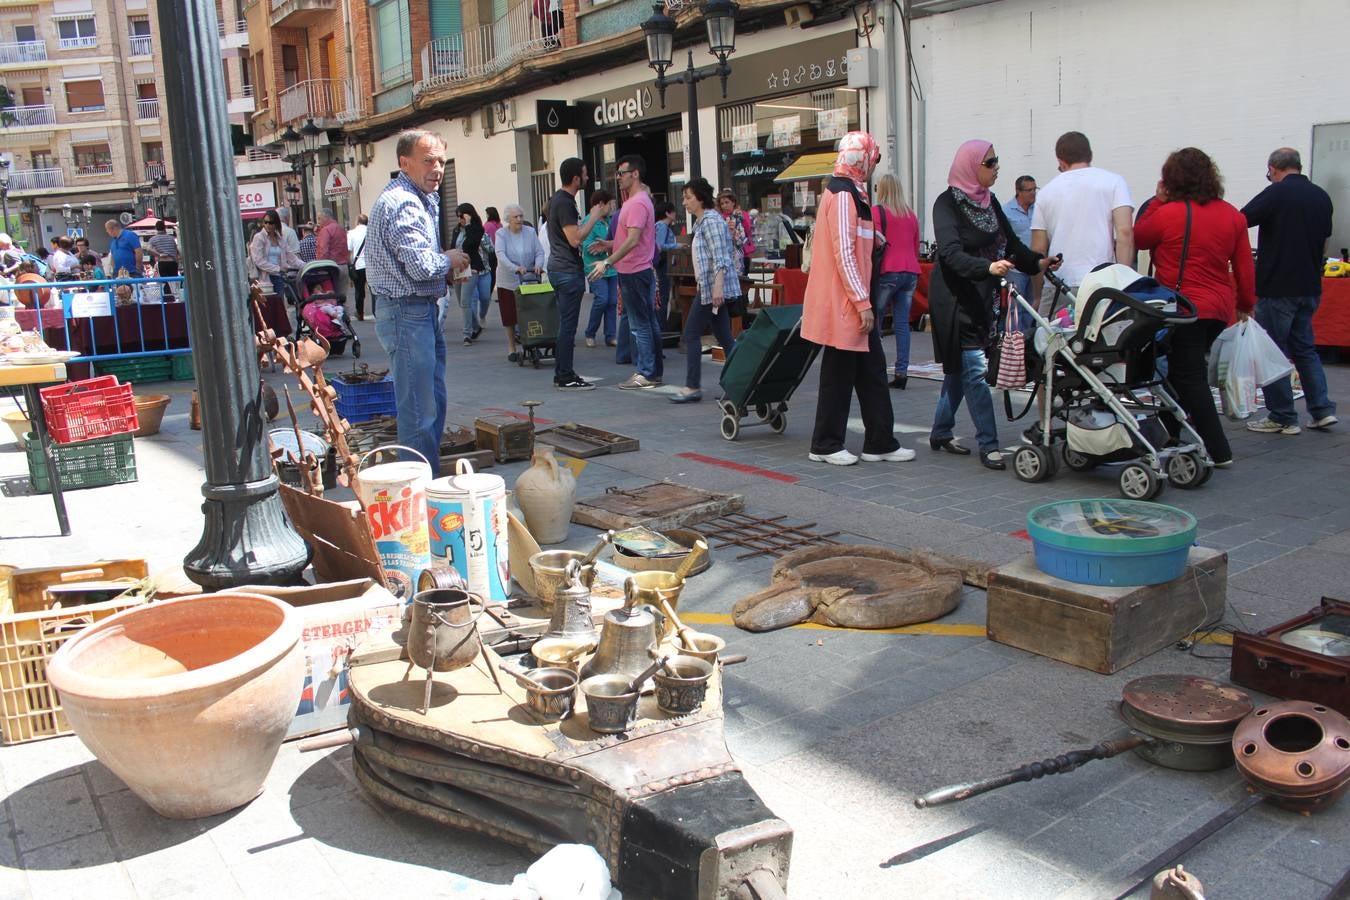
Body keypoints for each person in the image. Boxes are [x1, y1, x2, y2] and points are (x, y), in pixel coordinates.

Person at [929, 140, 1058, 471]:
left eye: (996, 160)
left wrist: (1039, 263)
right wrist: (986, 268)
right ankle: (989, 443)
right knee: (974, 368)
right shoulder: (946, 204)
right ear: (972, 166)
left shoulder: (990, 202)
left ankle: (940, 431)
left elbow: (1012, 246)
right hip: (956, 299)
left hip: (985, 297)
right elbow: (950, 253)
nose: (997, 166)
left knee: (959, 372)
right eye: (991, 162)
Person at [1135, 148, 1254, 467]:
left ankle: (1219, 449)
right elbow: (1244, 268)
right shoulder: (1232, 215)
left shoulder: (1168, 212)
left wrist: (1158, 200)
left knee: (1189, 376)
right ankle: (1167, 435)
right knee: (1182, 372)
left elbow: (1140, 237)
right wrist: (1245, 304)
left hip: (1182, 307)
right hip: (1217, 307)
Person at [801, 131, 914, 466]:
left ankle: (879, 441)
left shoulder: (848, 192)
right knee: (841, 375)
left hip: (848, 302)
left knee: (870, 372)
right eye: (872, 158)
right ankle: (825, 444)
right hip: (846, 304)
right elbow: (844, 254)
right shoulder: (843, 194)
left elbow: (850, 246)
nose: (873, 164)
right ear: (861, 159)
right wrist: (862, 303)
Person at [366, 130, 470, 476]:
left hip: (417, 310)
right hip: (406, 312)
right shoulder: (404, 201)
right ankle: (418, 492)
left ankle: (426, 481)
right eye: (428, 161)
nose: (437, 168)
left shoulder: (419, 198)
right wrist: (450, 258)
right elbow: (421, 265)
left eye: (441, 161)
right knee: (418, 411)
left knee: (431, 405)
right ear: (404, 163)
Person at [1242, 147, 1337, 435]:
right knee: (1305, 348)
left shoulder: (1276, 193)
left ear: (1273, 168)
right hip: (1309, 285)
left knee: (1273, 350)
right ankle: (1321, 410)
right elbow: (1324, 240)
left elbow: (1240, 219)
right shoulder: (1321, 196)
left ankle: (1282, 415)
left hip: (1278, 286)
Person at [1030, 132, 1133, 315]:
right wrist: (1124, 281)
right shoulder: (1114, 182)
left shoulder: (1045, 192)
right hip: (1103, 282)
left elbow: (1038, 249)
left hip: (1059, 282)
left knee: (1051, 341)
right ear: (1090, 154)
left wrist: (1038, 295)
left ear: (1060, 160)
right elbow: (1124, 233)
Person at [591, 155, 658, 390]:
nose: (618, 177)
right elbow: (630, 240)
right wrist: (608, 244)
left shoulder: (637, 203)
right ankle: (650, 371)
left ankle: (646, 372)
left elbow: (633, 241)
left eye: (621, 173)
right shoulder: (635, 202)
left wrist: (607, 261)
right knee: (645, 322)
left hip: (634, 271)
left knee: (640, 324)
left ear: (635, 174)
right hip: (637, 269)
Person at [671, 178, 738, 404]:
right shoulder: (703, 222)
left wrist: (717, 287)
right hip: (710, 287)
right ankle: (739, 383)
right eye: (684, 198)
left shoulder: (710, 221)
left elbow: (721, 257)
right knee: (725, 337)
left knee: (691, 334)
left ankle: (692, 386)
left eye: (688, 197)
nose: (685, 202)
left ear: (701, 197)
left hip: (712, 289)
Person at [546, 157, 607, 390]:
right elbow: (575, 238)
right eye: (585, 173)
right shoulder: (565, 202)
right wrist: (594, 215)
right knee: (568, 326)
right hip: (566, 271)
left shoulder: (559, 200)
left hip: (560, 269)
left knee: (565, 324)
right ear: (575, 179)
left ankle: (562, 373)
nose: (588, 177)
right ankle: (565, 375)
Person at [871, 174, 922, 390]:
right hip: (910, 271)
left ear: (880, 189)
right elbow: (916, 246)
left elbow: (871, 243)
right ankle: (902, 371)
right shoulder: (910, 214)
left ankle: (876, 369)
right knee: (902, 324)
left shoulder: (877, 212)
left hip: (888, 271)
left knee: (875, 322)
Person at [494, 203, 544, 362]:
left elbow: (539, 252)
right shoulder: (501, 234)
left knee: (529, 314)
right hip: (508, 279)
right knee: (510, 315)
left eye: (521, 216)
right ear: (508, 219)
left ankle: (531, 344)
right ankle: (511, 347)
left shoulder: (530, 232)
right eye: (516, 217)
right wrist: (515, 268)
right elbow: (500, 255)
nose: (519, 219)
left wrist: (538, 264)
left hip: (529, 279)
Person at [450, 203, 492, 347]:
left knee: (466, 301)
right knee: (462, 303)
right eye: (458, 217)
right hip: (458, 267)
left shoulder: (477, 229)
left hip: (472, 266)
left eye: (461, 216)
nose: (459, 219)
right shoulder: (456, 230)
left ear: (469, 215)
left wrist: (468, 224)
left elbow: (469, 245)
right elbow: (453, 247)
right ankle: (476, 326)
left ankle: (467, 334)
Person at [580, 189, 618, 349]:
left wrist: (606, 246)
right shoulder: (589, 220)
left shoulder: (610, 220)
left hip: (612, 267)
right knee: (602, 299)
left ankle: (611, 335)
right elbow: (587, 245)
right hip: (594, 268)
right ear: (601, 204)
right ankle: (590, 332)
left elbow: (616, 241)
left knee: (613, 301)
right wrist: (604, 247)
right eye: (611, 204)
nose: (613, 207)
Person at [249, 209, 303, 299]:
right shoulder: (259, 237)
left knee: (279, 306)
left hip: (278, 277)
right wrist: (278, 268)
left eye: (271, 222)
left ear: (276, 223)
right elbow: (258, 261)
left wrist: (306, 266)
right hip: (264, 279)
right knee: (268, 307)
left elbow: (292, 258)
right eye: (265, 222)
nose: (268, 225)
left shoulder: (280, 238)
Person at [1001, 175, 1037, 300]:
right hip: (1016, 269)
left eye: (1034, 189)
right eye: (1029, 190)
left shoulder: (1038, 208)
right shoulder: (1005, 211)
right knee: (1016, 307)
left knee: (1034, 306)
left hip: (1035, 266)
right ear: (1018, 191)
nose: (1033, 193)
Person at [717, 189, 755, 275]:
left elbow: (748, 230)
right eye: (722, 204)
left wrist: (740, 219)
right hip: (726, 256)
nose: (724, 206)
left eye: (727, 202)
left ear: (733, 202)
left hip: (742, 254)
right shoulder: (719, 218)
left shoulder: (742, 214)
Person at [653, 200, 680, 316]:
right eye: (673, 211)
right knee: (663, 295)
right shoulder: (663, 226)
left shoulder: (659, 226)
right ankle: (661, 326)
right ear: (668, 213)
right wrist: (677, 245)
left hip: (661, 263)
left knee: (662, 294)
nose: (675, 214)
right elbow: (659, 246)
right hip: (663, 264)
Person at [347, 213, 370, 319]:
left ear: (357, 222)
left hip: (358, 264)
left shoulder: (351, 233)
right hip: (371, 265)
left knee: (359, 290)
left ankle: (360, 312)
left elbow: (349, 251)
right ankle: (376, 311)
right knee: (374, 290)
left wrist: (349, 265)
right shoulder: (371, 231)